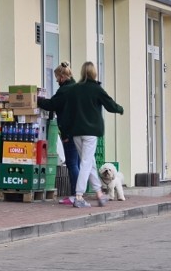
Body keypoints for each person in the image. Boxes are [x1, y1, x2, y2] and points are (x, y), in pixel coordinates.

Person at [61, 61, 124, 208]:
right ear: (94, 73)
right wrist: (120, 109)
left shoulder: (74, 89)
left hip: (76, 132)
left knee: (90, 163)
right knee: (86, 163)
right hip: (90, 132)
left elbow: (68, 113)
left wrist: (65, 131)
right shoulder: (96, 89)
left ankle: (99, 194)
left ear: (83, 72)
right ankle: (79, 196)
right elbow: (110, 104)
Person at [37, 61, 80, 205]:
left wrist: (36, 100)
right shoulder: (77, 87)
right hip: (81, 130)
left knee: (72, 163)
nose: (56, 80)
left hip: (70, 131)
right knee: (78, 163)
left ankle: (76, 195)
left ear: (62, 76)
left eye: (57, 77)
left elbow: (52, 104)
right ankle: (79, 193)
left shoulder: (65, 90)